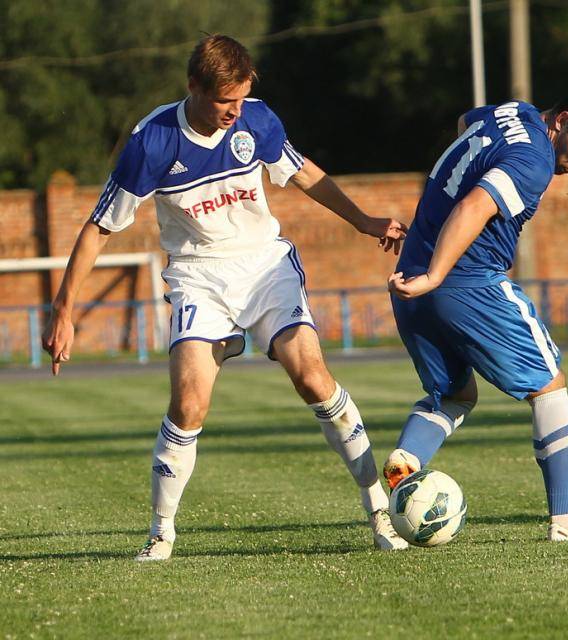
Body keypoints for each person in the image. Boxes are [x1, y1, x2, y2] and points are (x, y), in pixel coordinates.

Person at [42, 34, 409, 560]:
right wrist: (64, 310)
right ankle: (161, 533)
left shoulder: (256, 120)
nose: (234, 112)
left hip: (264, 265)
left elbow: (305, 173)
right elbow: (99, 228)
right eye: (223, 101)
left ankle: (378, 511)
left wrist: (363, 221)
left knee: (313, 380)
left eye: (240, 98)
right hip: (198, 275)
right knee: (189, 404)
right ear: (193, 86)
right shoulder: (152, 141)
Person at [384, 87, 568, 541]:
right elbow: (474, 205)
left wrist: (428, 267)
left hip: (409, 277)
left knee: (454, 396)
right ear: (563, 120)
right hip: (464, 281)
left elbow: (465, 122)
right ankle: (566, 522)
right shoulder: (534, 158)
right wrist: (437, 275)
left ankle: (407, 459)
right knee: (548, 383)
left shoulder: (511, 113)